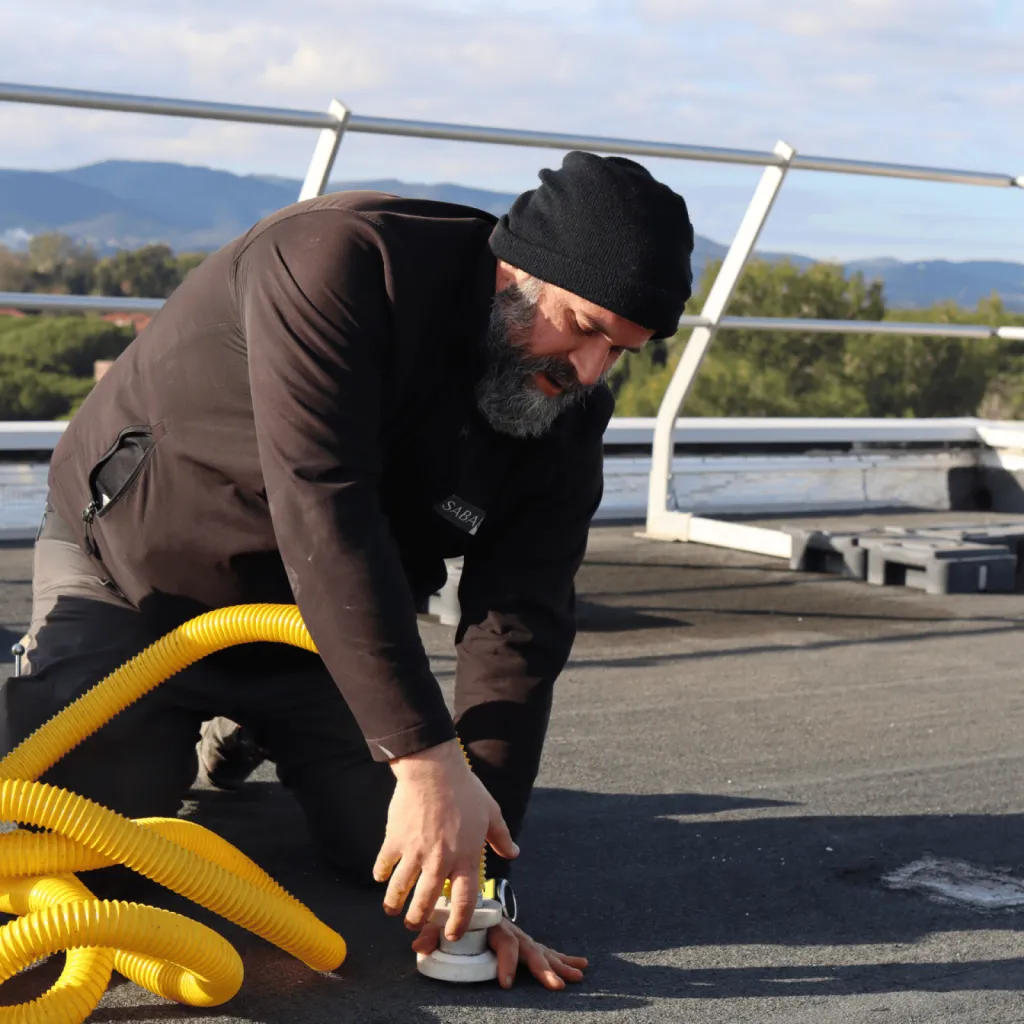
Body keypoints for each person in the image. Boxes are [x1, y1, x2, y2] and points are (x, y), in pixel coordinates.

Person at [0, 151, 693, 990]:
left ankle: (256, 722)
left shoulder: (566, 408)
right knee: (91, 841)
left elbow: (520, 620)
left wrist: (483, 885)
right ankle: (204, 719)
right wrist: (428, 760)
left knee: (406, 857)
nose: (588, 371)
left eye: (622, 351)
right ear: (515, 271)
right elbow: (323, 501)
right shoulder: (336, 261)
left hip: (324, 633)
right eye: (584, 328)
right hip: (136, 577)